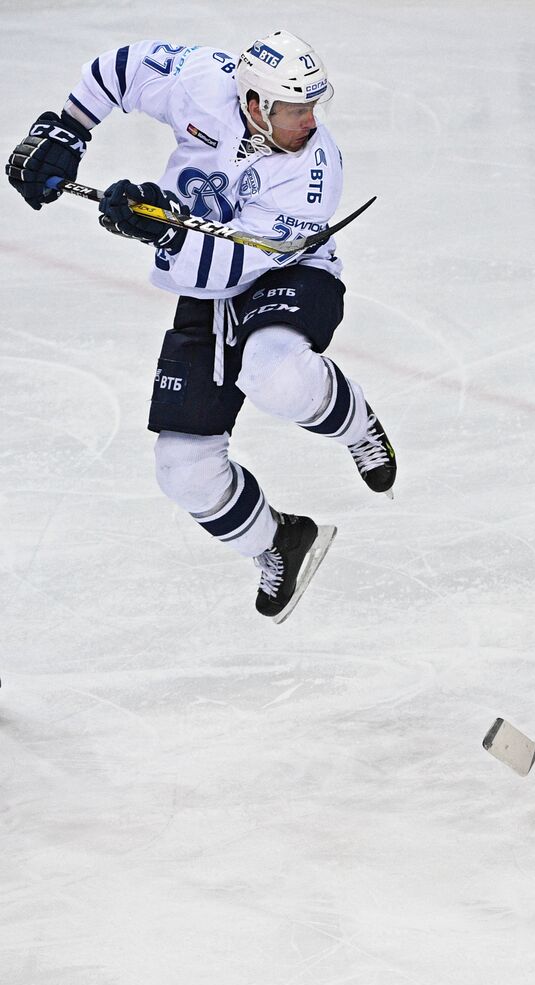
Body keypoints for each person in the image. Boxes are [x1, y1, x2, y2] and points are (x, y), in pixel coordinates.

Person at [6, 31, 396, 622]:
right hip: (205, 280)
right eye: (296, 109)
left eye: (314, 106)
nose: (311, 121)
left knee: (274, 374)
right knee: (181, 469)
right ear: (255, 102)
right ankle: (279, 542)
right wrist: (68, 129)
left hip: (288, 270)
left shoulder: (314, 170)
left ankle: (357, 426)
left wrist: (166, 232)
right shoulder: (202, 81)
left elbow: (242, 262)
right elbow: (121, 69)